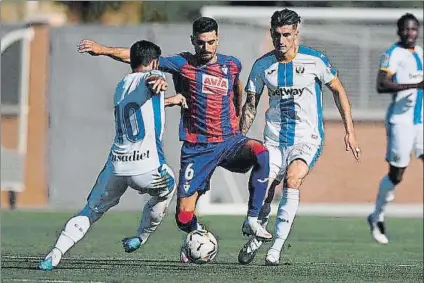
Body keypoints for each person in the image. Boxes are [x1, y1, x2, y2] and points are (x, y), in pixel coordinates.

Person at [77, 17, 274, 262]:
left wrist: (239, 122)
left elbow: (236, 88)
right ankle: (197, 232)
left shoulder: (232, 65)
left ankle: (252, 219)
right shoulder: (182, 63)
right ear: (193, 41)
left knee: (262, 153)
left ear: (217, 40)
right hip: (197, 148)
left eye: (211, 42)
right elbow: (140, 58)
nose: (206, 47)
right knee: (182, 217)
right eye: (201, 43)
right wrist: (102, 50)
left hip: (228, 141)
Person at [39, 40, 181, 270]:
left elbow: (139, 109)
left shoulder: (121, 86)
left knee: (90, 212)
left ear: (131, 61)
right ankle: (141, 236)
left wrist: (170, 101)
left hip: (116, 167)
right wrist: (159, 82)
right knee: (168, 187)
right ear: (155, 63)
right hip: (147, 169)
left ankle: (54, 253)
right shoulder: (151, 78)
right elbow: (154, 81)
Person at [237, 9, 361, 265]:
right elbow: (250, 105)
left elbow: (338, 90)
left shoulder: (315, 60)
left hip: (306, 139)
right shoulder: (262, 66)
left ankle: (276, 248)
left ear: (296, 33)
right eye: (276, 35)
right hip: (273, 140)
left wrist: (349, 130)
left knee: (293, 180)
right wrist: (239, 137)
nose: (281, 41)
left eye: (286, 35)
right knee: (265, 191)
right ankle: (258, 236)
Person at [368, 13, 423, 245]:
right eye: (406, 29)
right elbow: (381, 84)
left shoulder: (420, 52)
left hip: (421, 122)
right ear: (399, 31)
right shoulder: (392, 54)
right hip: (400, 122)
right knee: (397, 174)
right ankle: (377, 215)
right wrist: (414, 85)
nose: (410, 33)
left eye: (414, 29)